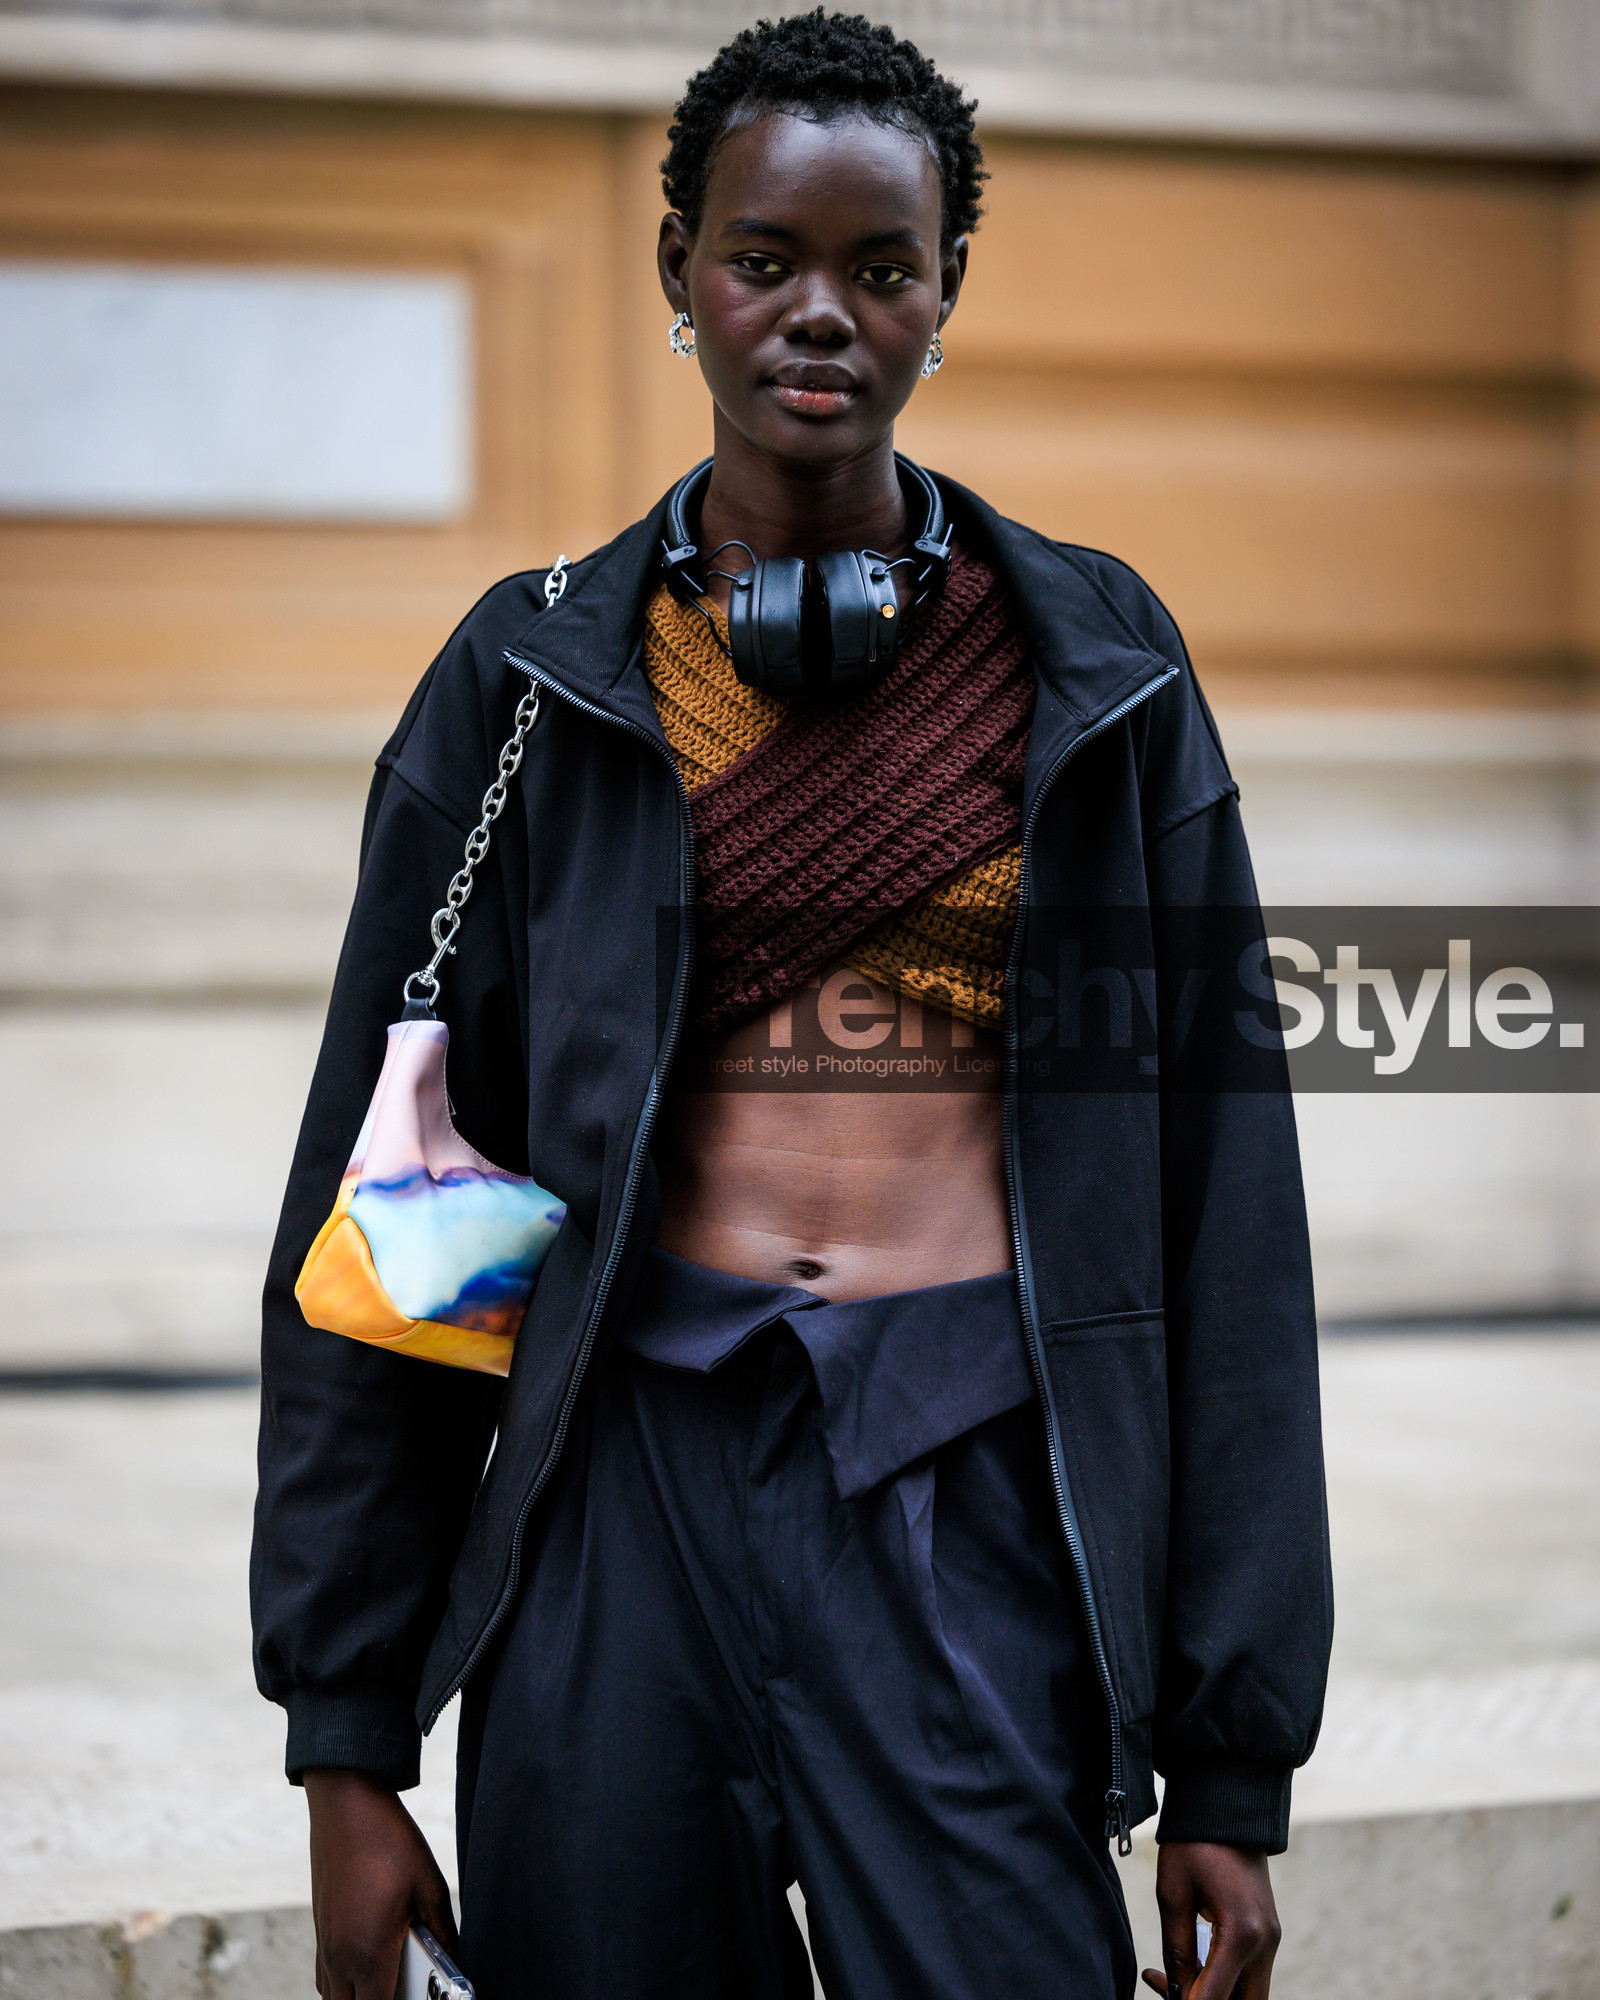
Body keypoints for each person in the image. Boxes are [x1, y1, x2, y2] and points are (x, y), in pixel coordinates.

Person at [251, 12, 1332, 1999]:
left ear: (945, 295)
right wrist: (347, 1744)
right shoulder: (529, 685)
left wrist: (1228, 1762)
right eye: (763, 259)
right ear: (677, 270)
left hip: (964, 1502)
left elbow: (1221, 1213)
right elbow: (394, 1208)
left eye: (877, 268)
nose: (815, 315)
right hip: (612, 1518)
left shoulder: (1095, 673)